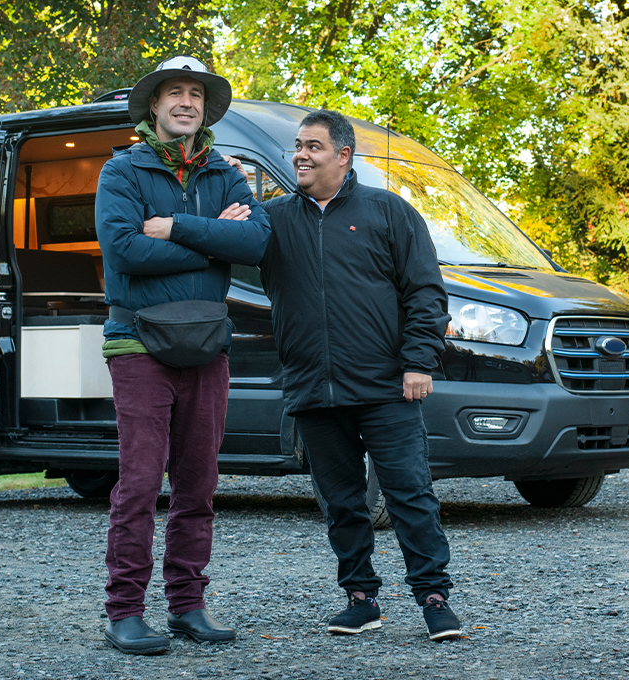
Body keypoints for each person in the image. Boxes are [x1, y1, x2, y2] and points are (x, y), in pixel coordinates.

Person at [259, 110, 462, 642]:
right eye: (297, 146)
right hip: (312, 388)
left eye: (313, 146)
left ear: (343, 156)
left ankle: (434, 599)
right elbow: (221, 242)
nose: (300, 155)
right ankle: (360, 598)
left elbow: (425, 291)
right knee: (342, 503)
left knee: (410, 494)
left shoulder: (388, 211)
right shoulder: (274, 218)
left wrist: (419, 360)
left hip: (385, 386)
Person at [94, 55, 271, 655]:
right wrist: (211, 237)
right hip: (139, 342)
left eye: (195, 93)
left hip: (206, 346)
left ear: (205, 107)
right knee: (141, 482)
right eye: (174, 92)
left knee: (198, 484)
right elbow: (122, 253)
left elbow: (255, 242)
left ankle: (188, 607)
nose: (185, 102)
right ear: (154, 105)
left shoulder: (225, 171)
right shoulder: (121, 171)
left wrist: (172, 227)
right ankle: (124, 611)